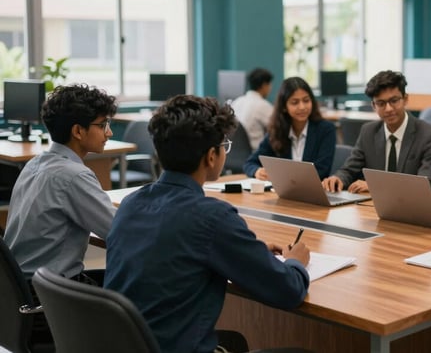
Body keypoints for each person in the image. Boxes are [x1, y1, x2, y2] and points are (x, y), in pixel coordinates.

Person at [105, 95, 310, 353]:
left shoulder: (130, 204)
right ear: (211, 156)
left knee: (234, 341)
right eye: (224, 144)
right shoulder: (212, 217)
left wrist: (246, 251)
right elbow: (289, 291)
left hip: (133, 344)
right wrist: (295, 263)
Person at [5, 84, 117, 282]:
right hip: (49, 292)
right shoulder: (74, 176)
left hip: (17, 286)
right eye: (102, 125)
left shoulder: (34, 164)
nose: (109, 133)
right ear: (78, 131)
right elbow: (117, 229)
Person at [322, 70, 431, 193]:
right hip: (370, 206)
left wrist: (377, 186)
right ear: (374, 106)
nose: (389, 109)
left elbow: (425, 185)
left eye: (394, 101)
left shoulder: (429, 135)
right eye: (381, 103)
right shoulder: (368, 131)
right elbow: (349, 169)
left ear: (405, 99)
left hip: (410, 208)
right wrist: (337, 178)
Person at [243, 77, 335, 180]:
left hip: (313, 193)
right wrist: (257, 171)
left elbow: (322, 171)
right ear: (284, 107)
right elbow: (250, 163)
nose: (302, 107)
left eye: (306, 100)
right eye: (295, 102)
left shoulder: (325, 130)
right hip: (283, 192)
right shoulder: (277, 130)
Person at [230, 67, 274, 150]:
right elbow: (278, 127)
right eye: (270, 85)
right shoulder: (263, 106)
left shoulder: (237, 101)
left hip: (234, 154)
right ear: (264, 85)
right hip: (254, 155)